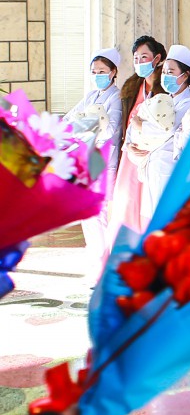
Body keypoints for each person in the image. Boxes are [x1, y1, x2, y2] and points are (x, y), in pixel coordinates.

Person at [125, 44, 190, 225]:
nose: (166, 77)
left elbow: (165, 130)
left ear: (185, 75)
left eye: (171, 72)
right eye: (164, 72)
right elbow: (133, 128)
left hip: (170, 170)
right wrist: (130, 147)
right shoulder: (160, 100)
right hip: (152, 169)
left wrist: (140, 124)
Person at [106, 36, 166, 246]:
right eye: (136, 58)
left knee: (147, 208)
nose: (139, 62)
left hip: (152, 159)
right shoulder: (131, 89)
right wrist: (128, 146)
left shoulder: (164, 89)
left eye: (144, 57)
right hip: (130, 158)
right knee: (126, 205)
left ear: (157, 58)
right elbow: (127, 123)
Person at [65, 48, 123, 261]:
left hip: (104, 163)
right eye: (94, 72)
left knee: (100, 215)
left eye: (102, 71)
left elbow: (108, 129)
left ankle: (105, 264)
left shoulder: (116, 97)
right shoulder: (91, 96)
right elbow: (71, 119)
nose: (97, 76)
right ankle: (95, 264)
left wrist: (86, 125)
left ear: (113, 71)